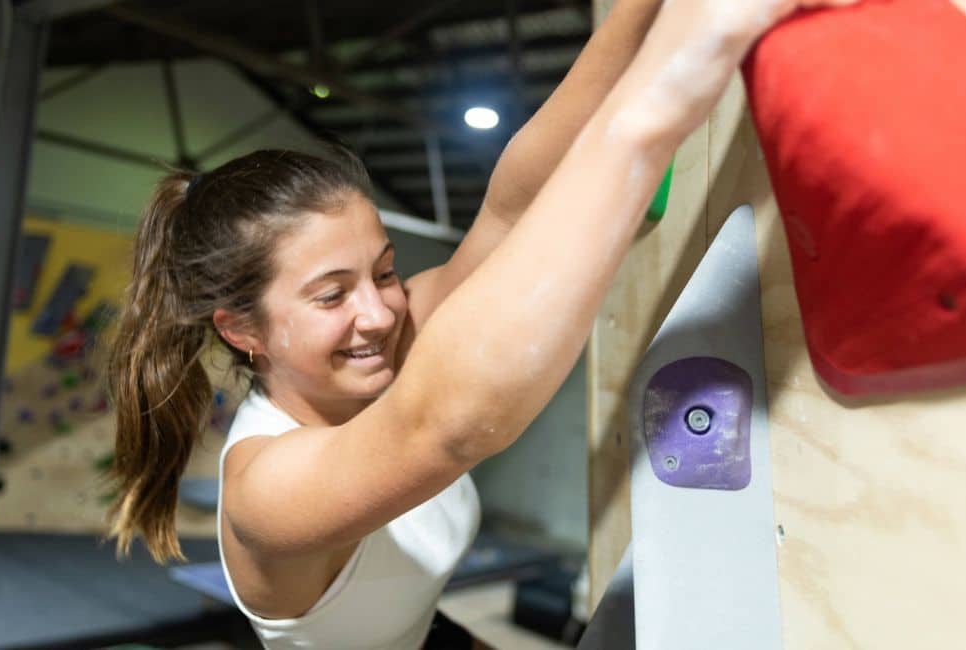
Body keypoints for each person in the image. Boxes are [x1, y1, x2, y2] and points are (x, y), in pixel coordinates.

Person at [106, 0, 857, 647]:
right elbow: (447, 429)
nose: (380, 312)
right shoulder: (265, 489)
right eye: (332, 296)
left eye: (386, 271)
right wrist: (666, 94)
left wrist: (635, 15)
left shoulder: (388, 341)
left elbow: (507, 212)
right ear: (242, 331)